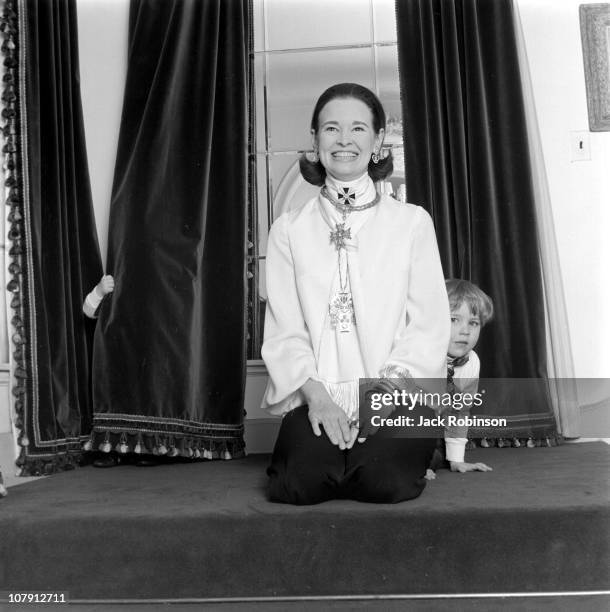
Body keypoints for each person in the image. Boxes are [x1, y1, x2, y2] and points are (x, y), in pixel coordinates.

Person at [261, 83, 450, 505]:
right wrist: (319, 399)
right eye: (331, 128)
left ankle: (411, 449)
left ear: (378, 139)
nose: (344, 139)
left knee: (382, 482)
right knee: (300, 485)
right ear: (315, 139)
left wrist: (380, 395)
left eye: (358, 128)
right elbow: (284, 330)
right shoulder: (289, 230)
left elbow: (429, 326)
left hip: (392, 394)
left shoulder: (412, 224)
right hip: (320, 393)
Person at [426, 279, 494, 479]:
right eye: (454, 319)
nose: (465, 331)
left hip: (435, 428)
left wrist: (457, 460)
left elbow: (460, 410)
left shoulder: (472, 362)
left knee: (437, 456)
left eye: (473, 323)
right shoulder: (419, 356)